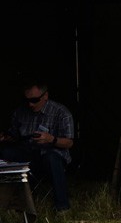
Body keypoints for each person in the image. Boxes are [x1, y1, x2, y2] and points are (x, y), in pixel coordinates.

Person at [0, 81, 74, 211]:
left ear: (45, 96)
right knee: (5, 153)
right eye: (27, 100)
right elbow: (14, 136)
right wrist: (6, 138)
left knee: (52, 158)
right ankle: (9, 203)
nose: (30, 104)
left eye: (34, 100)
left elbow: (69, 142)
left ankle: (62, 206)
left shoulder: (61, 112)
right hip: (28, 152)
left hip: (51, 154)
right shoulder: (20, 112)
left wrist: (52, 139)